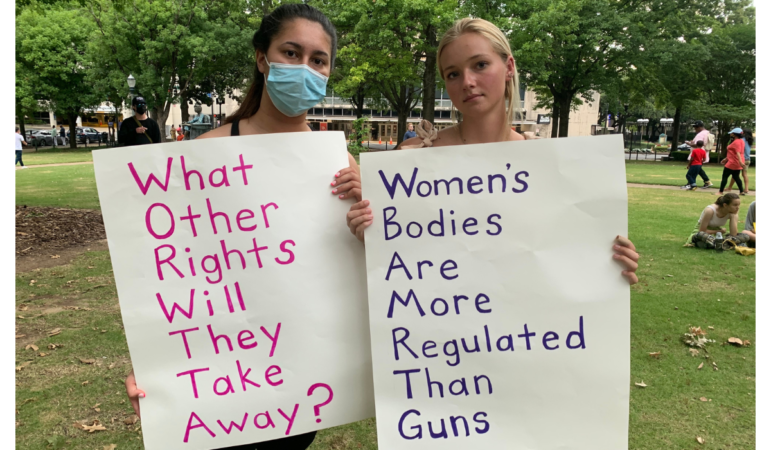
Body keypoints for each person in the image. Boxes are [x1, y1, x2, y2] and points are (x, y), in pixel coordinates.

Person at [123, 5, 356, 450]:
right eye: (291, 52)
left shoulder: (341, 166)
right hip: (218, 378)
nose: (304, 68)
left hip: (297, 382)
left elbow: (376, 270)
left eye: (318, 60)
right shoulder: (202, 157)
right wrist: (148, 360)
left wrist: (373, 212)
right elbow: (166, 269)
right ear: (262, 58)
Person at [344, 18, 640, 285]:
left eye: (480, 65)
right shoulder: (411, 160)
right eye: (452, 74)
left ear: (509, 67)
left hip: (527, 332)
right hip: (442, 328)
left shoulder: (548, 164)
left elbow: (563, 252)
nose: (468, 82)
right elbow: (404, 261)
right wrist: (371, 234)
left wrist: (608, 262)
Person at [684, 120, 713, 188]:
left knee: (692, 171)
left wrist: (689, 143)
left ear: (699, 127)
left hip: (696, 155)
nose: (695, 129)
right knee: (698, 169)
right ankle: (707, 181)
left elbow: (696, 145)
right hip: (702, 155)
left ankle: (691, 183)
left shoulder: (700, 134)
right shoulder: (707, 133)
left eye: (696, 127)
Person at [719, 128, 746, 196]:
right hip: (737, 163)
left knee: (725, 176)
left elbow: (738, 152)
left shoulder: (736, 142)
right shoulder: (741, 141)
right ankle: (741, 191)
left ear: (734, 134)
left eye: (732, 133)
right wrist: (726, 159)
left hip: (732, 162)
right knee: (736, 177)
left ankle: (720, 192)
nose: (730, 134)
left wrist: (740, 162)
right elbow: (733, 153)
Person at [727, 129, 753, 194]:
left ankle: (729, 187)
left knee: (735, 174)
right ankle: (746, 189)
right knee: (744, 174)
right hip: (747, 159)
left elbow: (738, 150)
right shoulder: (749, 141)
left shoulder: (741, 140)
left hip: (741, 159)